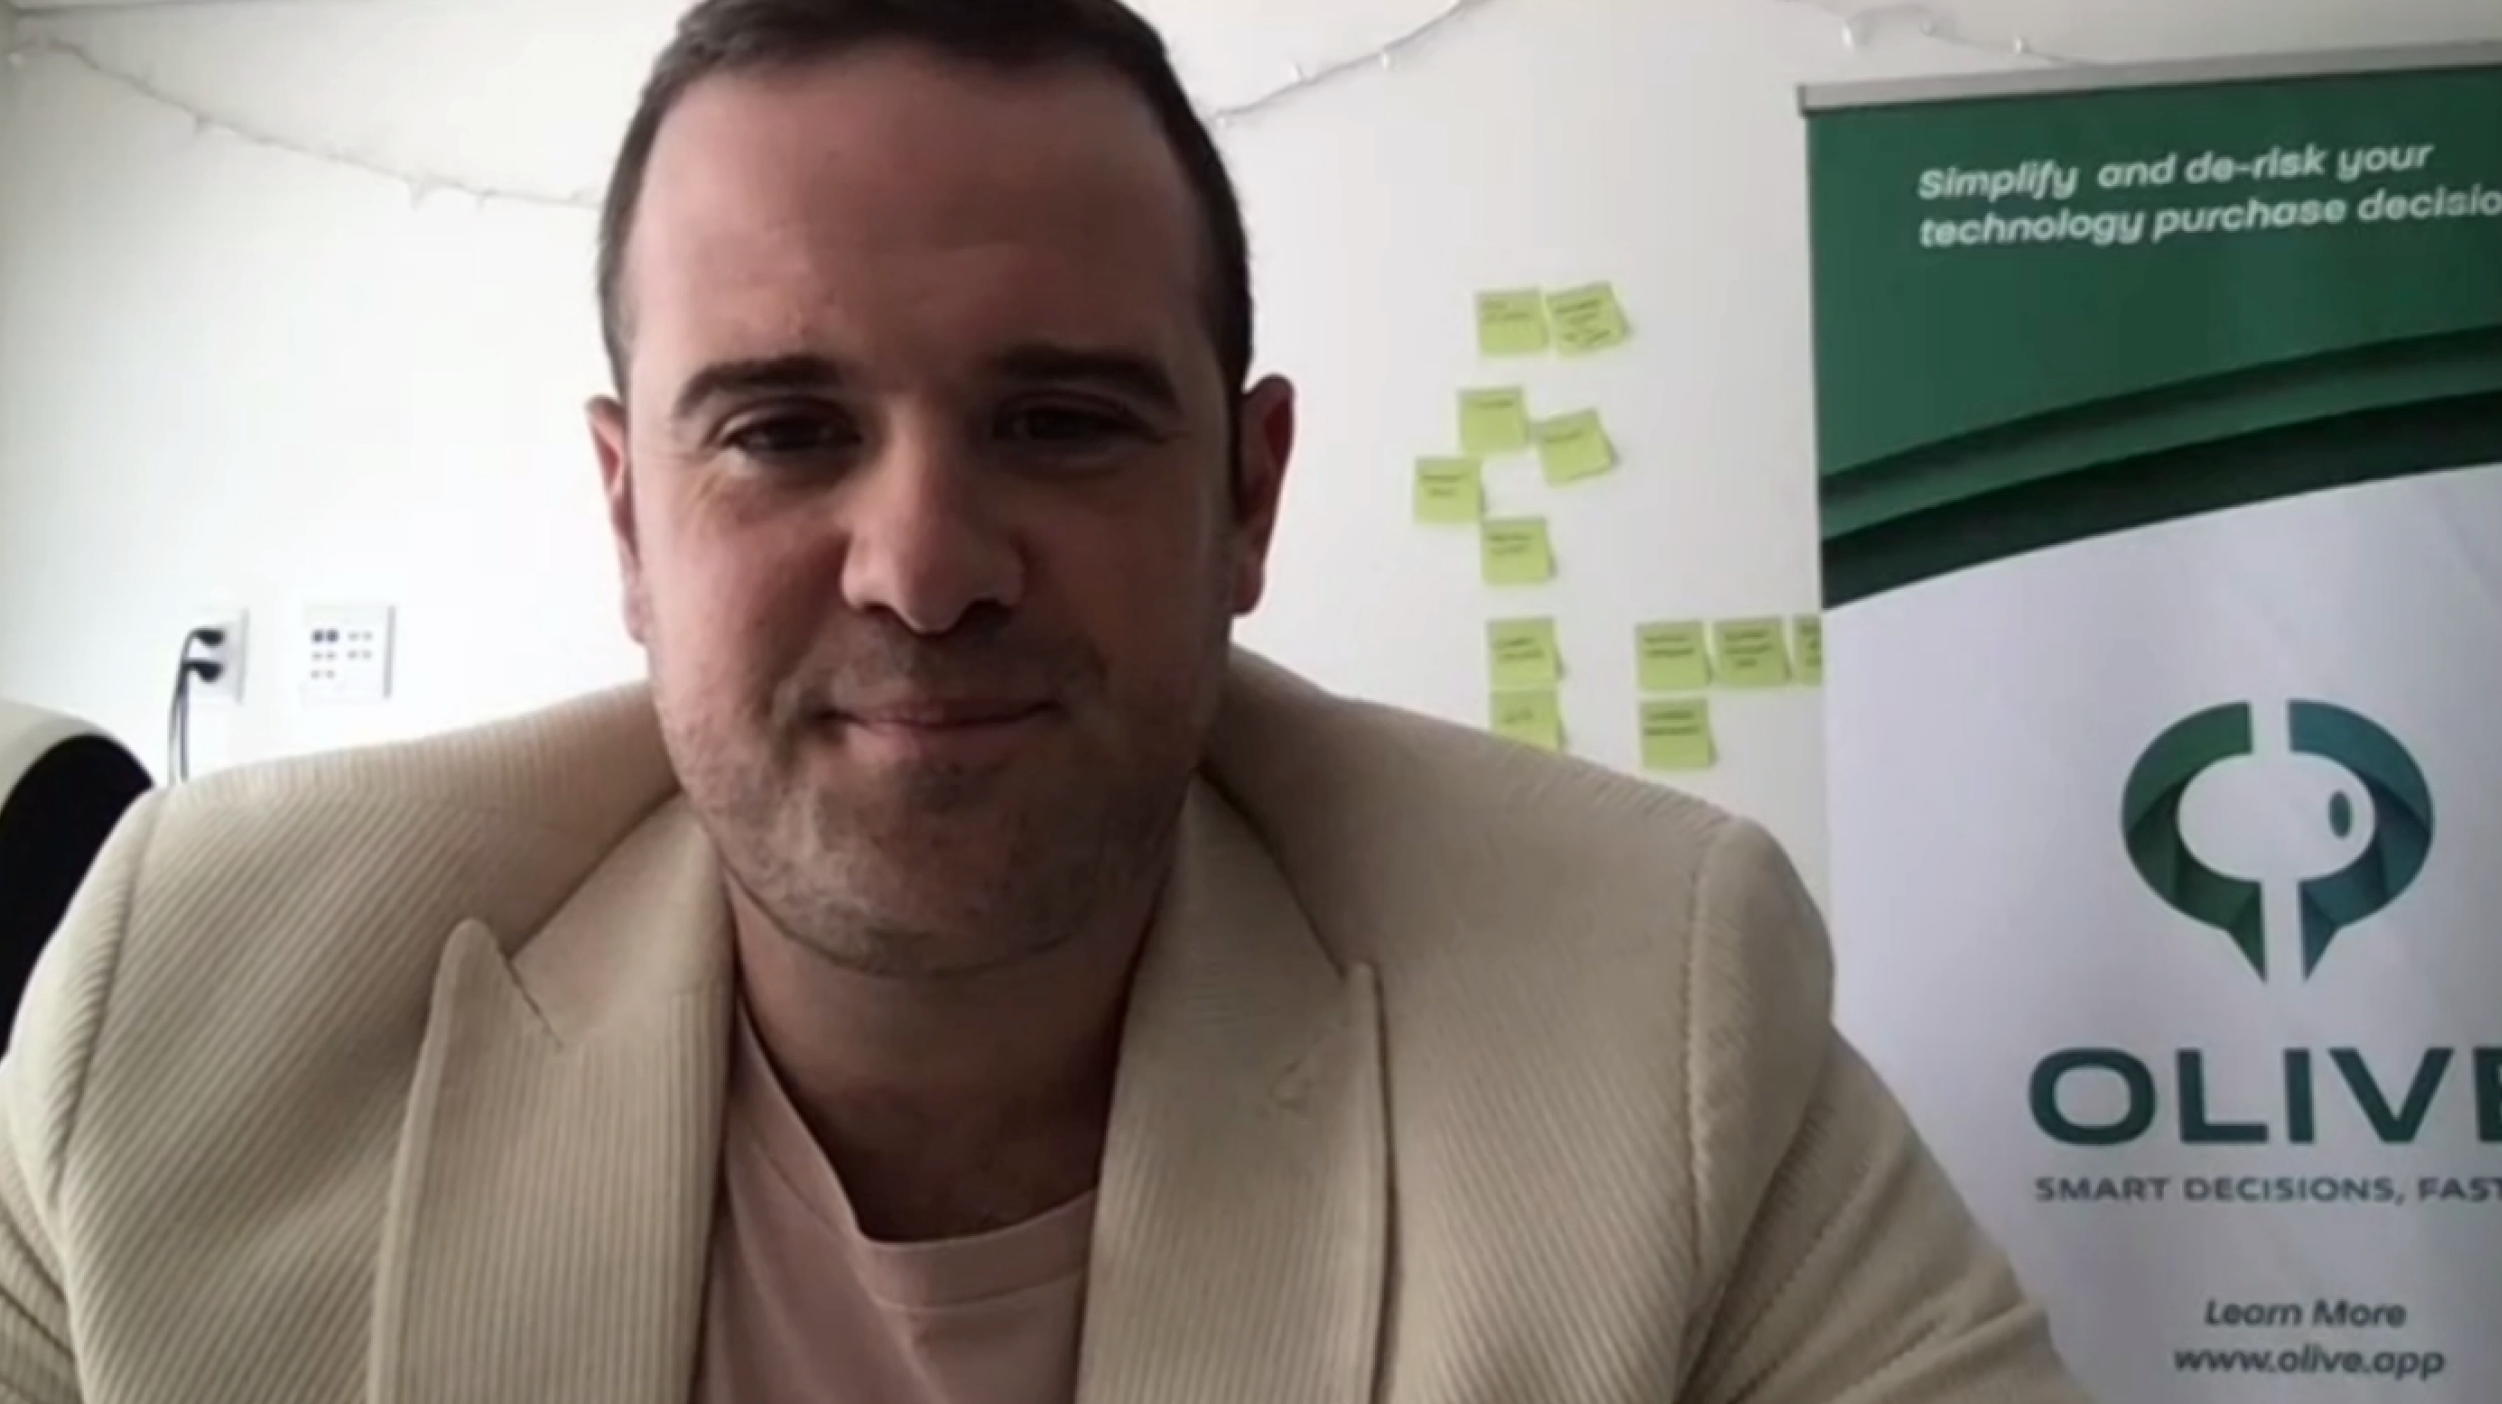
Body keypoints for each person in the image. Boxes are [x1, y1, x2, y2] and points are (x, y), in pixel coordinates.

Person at [0, 1, 2095, 1400]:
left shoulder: (1644, 1015)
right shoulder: (192, 1000)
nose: (924, 571)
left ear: (1248, 497)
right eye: (785, 431)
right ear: (629, 520)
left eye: (1064, 421)